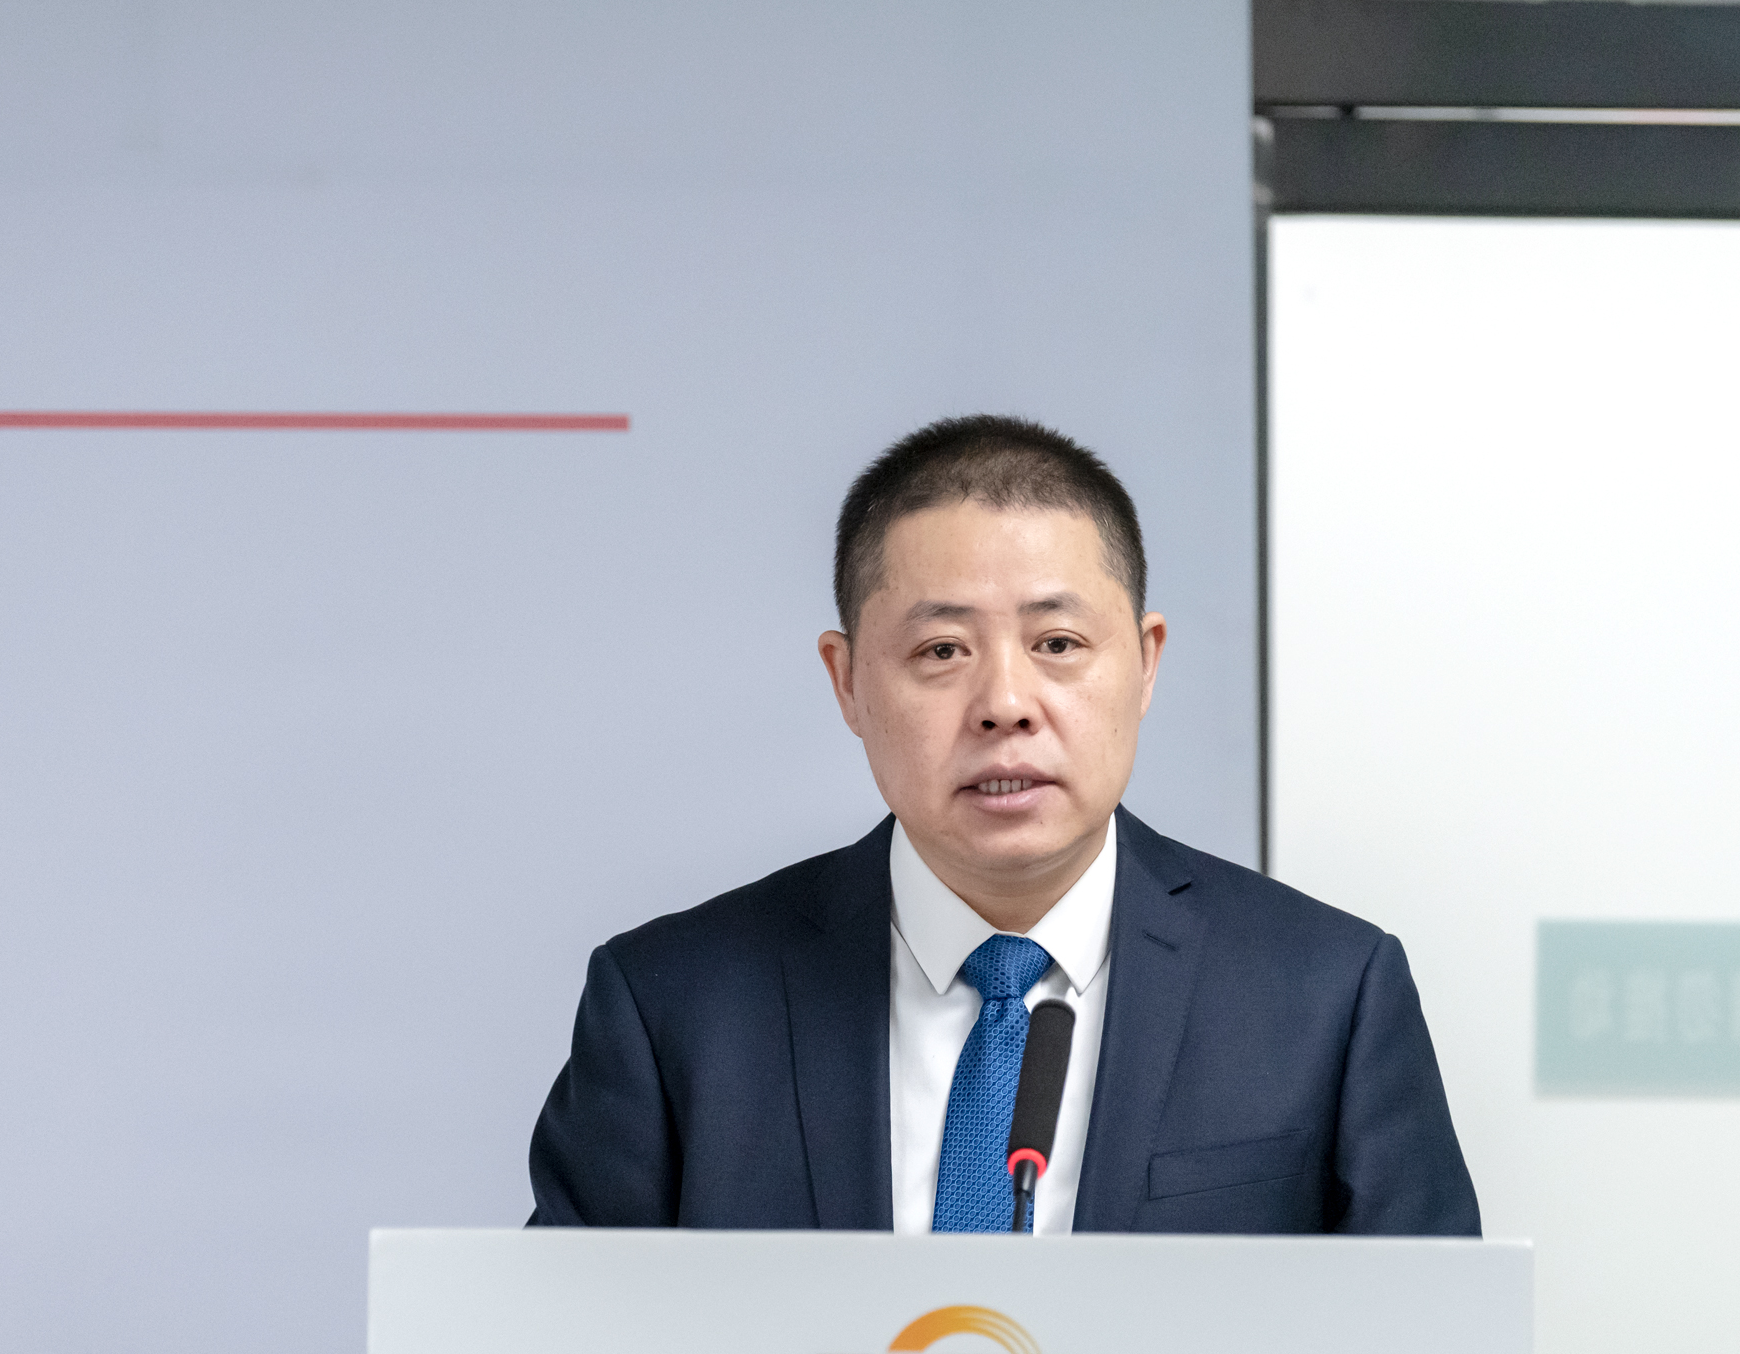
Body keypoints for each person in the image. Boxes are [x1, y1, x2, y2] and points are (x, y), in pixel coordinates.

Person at [528, 414, 1476, 1235]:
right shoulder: (675, 1006)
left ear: (1145, 662)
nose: (1005, 705)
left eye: (1057, 643)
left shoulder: (1326, 996)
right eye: (943, 650)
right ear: (847, 681)